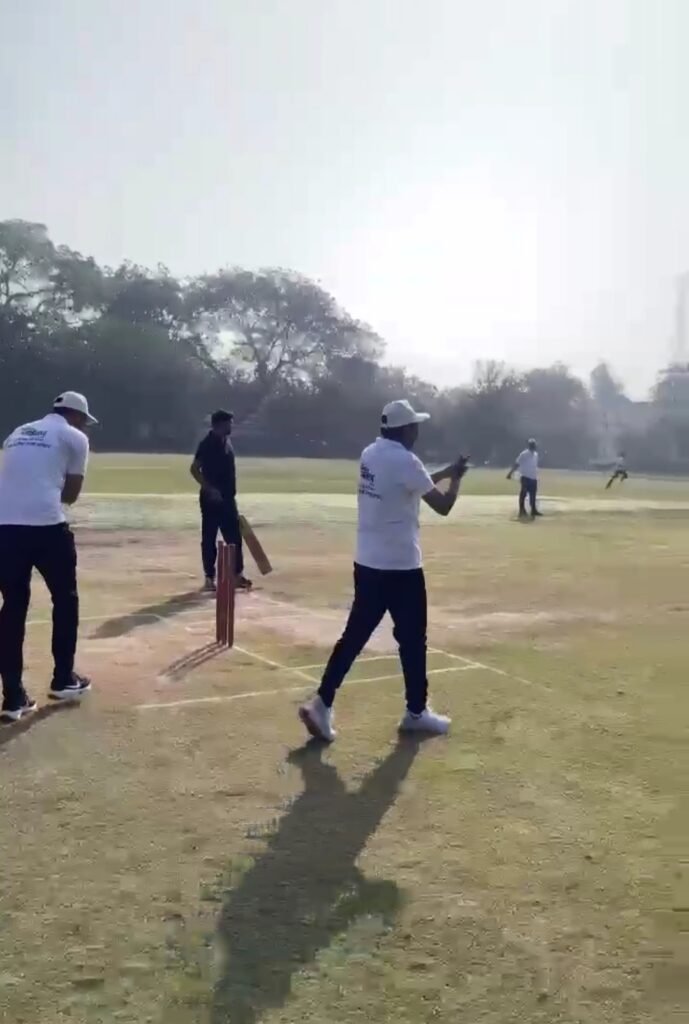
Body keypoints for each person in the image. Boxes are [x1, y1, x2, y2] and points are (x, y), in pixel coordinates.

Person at [298, 399, 469, 742]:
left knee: (354, 636)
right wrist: (456, 480)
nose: (417, 431)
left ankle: (322, 702)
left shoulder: (371, 454)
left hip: (368, 562)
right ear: (406, 430)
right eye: (415, 426)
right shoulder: (407, 461)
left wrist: (446, 472)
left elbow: (411, 483)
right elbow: (443, 505)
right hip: (401, 566)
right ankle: (416, 712)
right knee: (412, 640)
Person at [0, 392, 96, 722]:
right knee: (66, 599)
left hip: (5, 527)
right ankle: (63, 678)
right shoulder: (75, 437)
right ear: (77, 416)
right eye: (84, 421)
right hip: (46, 526)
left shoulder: (18, 432)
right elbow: (71, 495)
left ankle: (13, 697)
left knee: (13, 606)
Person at [190, 410, 251, 592]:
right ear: (219, 424)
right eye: (229, 423)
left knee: (234, 537)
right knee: (209, 538)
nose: (231, 426)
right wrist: (209, 488)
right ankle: (209, 578)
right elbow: (194, 469)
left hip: (228, 498)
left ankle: (236, 575)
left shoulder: (227, 442)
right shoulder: (207, 444)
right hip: (211, 499)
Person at [507, 438, 541, 518]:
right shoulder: (524, 454)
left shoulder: (536, 454)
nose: (533, 446)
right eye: (532, 445)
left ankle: (533, 510)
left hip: (533, 477)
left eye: (534, 444)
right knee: (523, 494)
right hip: (525, 477)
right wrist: (510, 473)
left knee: (533, 495)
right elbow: (517, 464)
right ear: (529, 445)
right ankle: (522, 511)